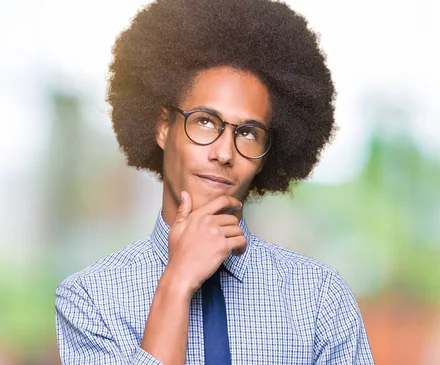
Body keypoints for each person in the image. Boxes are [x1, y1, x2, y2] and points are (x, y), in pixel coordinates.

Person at [55, 0, 374, 364]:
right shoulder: (90, 299)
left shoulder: (319, 300)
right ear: (163, 127)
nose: (224, 152)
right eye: (205, 121)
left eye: (249, 133)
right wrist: (177, 283)